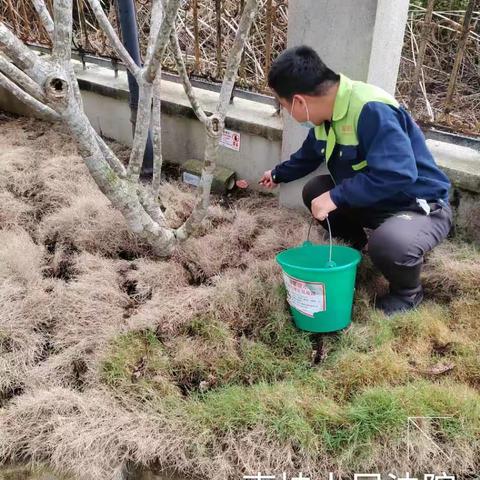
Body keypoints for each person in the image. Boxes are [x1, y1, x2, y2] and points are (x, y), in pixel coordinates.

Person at [259, 46, 452, 315]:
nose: (286, 112)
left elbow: (398, 174)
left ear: (300, 102)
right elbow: (308, 156)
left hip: (419, 205)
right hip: (378, 201)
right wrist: (278, 174)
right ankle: (356, 251)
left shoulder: (370, 110)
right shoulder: (327, 116)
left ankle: (408, 293)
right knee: (316, 190)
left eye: (283, 105)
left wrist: (336, 197)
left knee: (389, 244)